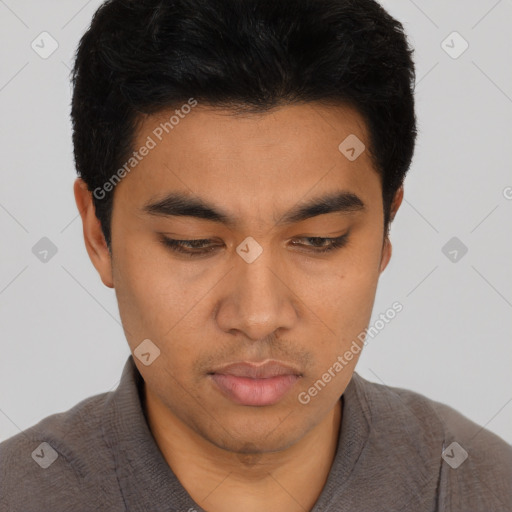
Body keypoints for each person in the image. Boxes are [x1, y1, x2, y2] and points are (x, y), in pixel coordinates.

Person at [1, 0, 511, 510]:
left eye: (320, 239)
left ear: (385, 230)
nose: (258, 317)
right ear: (98, 235)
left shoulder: (483, 488)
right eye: (192, 243)